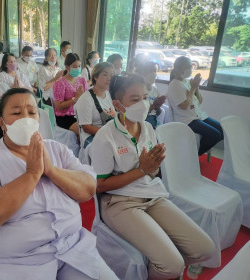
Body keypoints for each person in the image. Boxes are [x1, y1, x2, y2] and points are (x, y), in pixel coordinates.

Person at [0, 88, 119, 280]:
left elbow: (88, 188)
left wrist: (52, 171)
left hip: (73, 248)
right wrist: (31, 175)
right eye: (16, 113)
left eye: (31, 112)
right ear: (2, 123)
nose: (25, 118)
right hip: (17, 263)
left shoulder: (56, 149)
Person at [89, 74, 216, 280]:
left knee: (205, 248)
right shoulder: (106, 136)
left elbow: (152, 173)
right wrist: (142, 170)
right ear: (118, 105)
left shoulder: (147, 128)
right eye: (134, 99)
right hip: (119, 203)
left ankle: (164, 268)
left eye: (146, 97)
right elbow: (99, 186)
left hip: (151, 195)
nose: (143, 104)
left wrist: (154, 168)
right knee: (171, 265)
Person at [166, 56, 223, 155]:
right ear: (178, 69)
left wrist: (196, 87)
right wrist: (192, 88)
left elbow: (199, 101)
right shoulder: (175, 85)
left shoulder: (186, 82)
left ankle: (193, 152)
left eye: (190, 67)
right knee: (215, 134)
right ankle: (193, 156)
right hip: (186, 120)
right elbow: (183, 105)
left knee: (222, 130)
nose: (189, 70)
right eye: (187, 67)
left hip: (197, 116)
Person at [75, 62, 115, 148]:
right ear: (95, 77)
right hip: (92, 136)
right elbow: (86, 127)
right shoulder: (86, 99)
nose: (109, 78)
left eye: (111, 75)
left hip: (109, 133)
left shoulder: (108, 94)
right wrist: (108, 134)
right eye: (105, 74)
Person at [53, 53, 88, 136]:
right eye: (75, 67)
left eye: (79, 66)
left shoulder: (82, 81)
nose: (78, 69)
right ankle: (81, 149)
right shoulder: (60, 83)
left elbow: (86, 98)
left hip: (79, 114)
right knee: (82, 132)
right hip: (65, 116)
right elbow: (58, 106)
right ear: (67, 67)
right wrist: (75, 98)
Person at [135, 61, 167, 129]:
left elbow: (157, 112)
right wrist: (154, 105)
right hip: (142, 120)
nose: (153, 74)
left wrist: (158, 108)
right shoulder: (138, 90)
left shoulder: (156, 91)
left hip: (153, 118)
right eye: (149, 71)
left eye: (154, 71)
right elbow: (140, 112)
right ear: (142, 73)